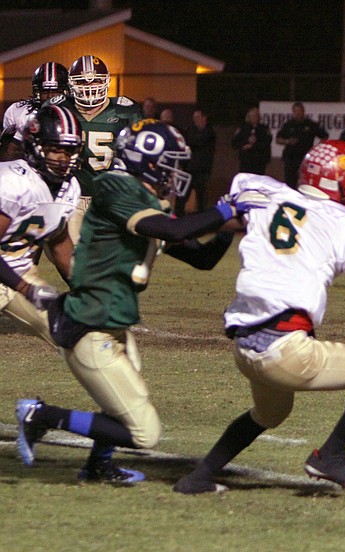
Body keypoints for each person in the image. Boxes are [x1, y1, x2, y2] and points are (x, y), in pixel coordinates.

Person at [173, 140, 345, 494]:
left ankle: (198, 477)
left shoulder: (264, 192)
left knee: (270, 414)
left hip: (245, 346)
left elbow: (216, 229)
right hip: (285, 350)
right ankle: (331, 456)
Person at [14, 119, 270, 484]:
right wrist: (226, 210)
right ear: (145, 160)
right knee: (143, 433)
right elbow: (173, 229)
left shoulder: (145, 200)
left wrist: (229, 230)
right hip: (90, 324)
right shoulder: (114, 186)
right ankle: (41, 416)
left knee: (119, 403)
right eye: (170, 163)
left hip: (111, 323)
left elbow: (201, 258)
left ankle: (98, 466)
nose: (175, 173)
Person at [0, 105, 82, 345]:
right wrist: (26, 289)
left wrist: (86, 286)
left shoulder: (69, 187)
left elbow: (58, 240)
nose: (63, 159)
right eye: (55, 150)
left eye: (69, 151)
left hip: (14, 272)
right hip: (13, 277)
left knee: (77, 333)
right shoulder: (13, 183)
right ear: (35, 148)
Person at [60, 55, 143, 244]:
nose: (89, 87)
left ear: (105, 81)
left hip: (110, 198)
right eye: (82, 81)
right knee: (74, 264)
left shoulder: (125, 112)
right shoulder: (60, 109)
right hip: (72, 198)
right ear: (72, 84)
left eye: (95, 80)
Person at [2, 61, 70, 161]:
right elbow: (10, 153)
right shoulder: (20, 112)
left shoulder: (74, 112)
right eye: (45, 91)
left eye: (56, 91)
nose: (50, 96)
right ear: (36, 91)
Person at [275, 102, 328, 188]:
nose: (298, 113)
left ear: (303, 111)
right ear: (293, 112)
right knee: (290, 182)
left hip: (305, 158)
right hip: (290, 158)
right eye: (295, 111)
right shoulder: (288, 125)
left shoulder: (311, 124)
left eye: (299, 111)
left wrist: (317, 149)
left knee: (306, 182)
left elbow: (324, 136)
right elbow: (278, 139)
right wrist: (287, 141)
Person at [181, 107, 216, 214]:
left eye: (197, 117)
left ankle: (202, 218)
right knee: (183, 194)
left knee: (201, 196)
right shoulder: (190, 130)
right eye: (194, 117)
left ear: (204, 118)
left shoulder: (210, 132)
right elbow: (187, 142)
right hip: (189, 168)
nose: (195, 120)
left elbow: (199, 142)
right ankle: (178, 215)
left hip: (202, 169)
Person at [231, 106, 272, 175]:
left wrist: (255, 144)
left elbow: (267, 142)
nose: (254, 118)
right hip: (246, 160)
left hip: (259, 160)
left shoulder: (264, 129)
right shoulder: (243, 128)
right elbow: (234, 143)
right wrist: (245, 144)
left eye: (256, 115)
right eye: (251, 116)